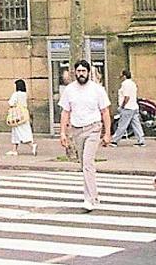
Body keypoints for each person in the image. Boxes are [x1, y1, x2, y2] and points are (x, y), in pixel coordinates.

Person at [59, 59, 111, 211]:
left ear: (89, 72)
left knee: (88, 163)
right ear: (74, 72)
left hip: (93, 128)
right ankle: (92, 195)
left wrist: (107, 133)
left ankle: (91, 198)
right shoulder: (69, 90)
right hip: (77, 130)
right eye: (78, 71)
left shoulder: (97, 90)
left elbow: (105, 112)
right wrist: (63, 133)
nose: (81, 74)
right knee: (83, 164)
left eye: (84, 71)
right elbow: (65, 112)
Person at [110, 69, 145, 147]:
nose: (120, 77)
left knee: (122, 125)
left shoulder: (125, 84)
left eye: (121, 75)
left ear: (124, 76)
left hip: (127, 108)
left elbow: (126, 97)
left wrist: (122, 106)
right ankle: (141, 140)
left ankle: (115, 141)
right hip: (134, 107)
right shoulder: (133, 83)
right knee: (136, 125)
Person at [6, 79, 37, 156]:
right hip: (24, 114)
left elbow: (11, 103)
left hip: (17, 115)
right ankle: (14, 150)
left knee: (20, 132)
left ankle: (32, 145)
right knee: (16, 132)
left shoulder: (16, 94)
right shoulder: (24, 94)